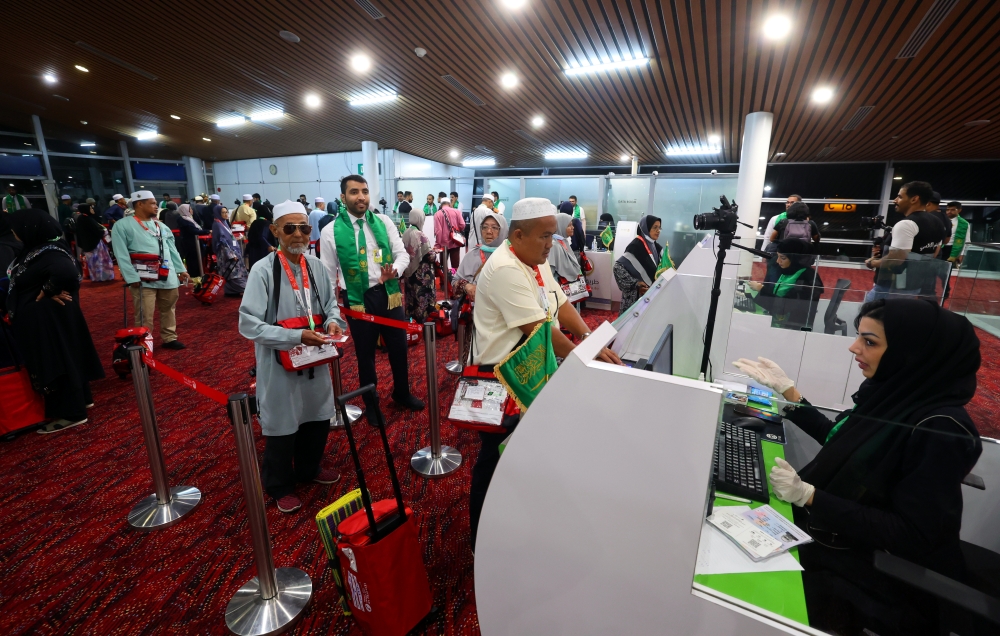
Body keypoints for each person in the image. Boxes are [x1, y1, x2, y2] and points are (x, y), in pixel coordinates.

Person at [733, 298, 981, 636]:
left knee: (746, 587)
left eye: (870, 341)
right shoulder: (895, 394)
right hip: (838, 536)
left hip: (873, 571)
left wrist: (810, 497)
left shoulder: (941, 428)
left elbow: (910, 535)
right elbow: (842, 440)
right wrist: (790, 394)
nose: (853, 347)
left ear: (911, 352)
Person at [468, 197, 622, 549]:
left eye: (553, 235)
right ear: (518, 235)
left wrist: (588, 336)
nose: (551, 244)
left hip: (531, 370)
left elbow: (561, 304)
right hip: (502, 378)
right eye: (544, 237)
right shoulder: (506, 267)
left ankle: (513, 525)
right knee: (494, 459)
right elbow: (541, 329)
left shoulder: (535, 260)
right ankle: (480, 541)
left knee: (522, 455)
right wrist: (586, 353)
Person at [238, 199, 345, 513]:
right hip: (279, 364)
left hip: (315, 357)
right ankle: (279, 484)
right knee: (283, 422)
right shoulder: (263, 271)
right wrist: (294, 337)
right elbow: (248, 324)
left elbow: (331, 306)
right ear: (275, 231)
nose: (298, 234)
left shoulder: (316, 266)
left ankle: (309, 469)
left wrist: (333, 322)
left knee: (317, 414)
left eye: (303, 228)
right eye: (290, 228)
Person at [319, 174, 424, 412]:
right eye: (354, 192)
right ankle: (371, 402)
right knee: (365, 354)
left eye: (365, 191)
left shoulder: (383, 221)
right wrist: (331, 312)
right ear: (343, 197)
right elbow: (326, 275)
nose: (361, 197)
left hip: (388, 294)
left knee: (398, 346)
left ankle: (402, 392)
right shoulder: (330, 232)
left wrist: (394, 271)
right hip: (357, 300)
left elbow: (403, 255)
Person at [5, 209, 104, 433]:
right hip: (47, 318)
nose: (14, 232)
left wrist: (48, 290)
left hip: (48, 320)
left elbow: (68, 274)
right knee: (66, 357)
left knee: (56, 362)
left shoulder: (49, 251)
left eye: (17, 228)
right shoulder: (37, 249)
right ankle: (80, 400)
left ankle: (71, 413)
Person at [111, 190, 190, 350]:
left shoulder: (161, 226)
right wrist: (130, 276)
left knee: (168, 308)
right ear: (139, 204)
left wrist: (181, 269)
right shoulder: (122, 225)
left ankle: (169, 337)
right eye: (153, 203)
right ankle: (144, 342)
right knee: (144, 312)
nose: (156, 206)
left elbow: (171, 249)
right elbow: (121, 254)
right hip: (142, 278)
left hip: (167, 275)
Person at [866, 181, 949, 301]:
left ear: (914, 199)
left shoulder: (906, 224)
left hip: (890, 287)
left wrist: (871, 263)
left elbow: (895, 259)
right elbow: (934, 253)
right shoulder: (938, 223)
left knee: (869, 317)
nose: (895, 200)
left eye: (900, 196)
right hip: (913, 286)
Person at [748, 238, 824, 330]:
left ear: (796, 259)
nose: (778, 261)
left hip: (792, 329)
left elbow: (786, 307)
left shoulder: (806, 278)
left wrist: (761, 289)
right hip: (780, 322)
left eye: (783, 258)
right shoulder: (790, 271)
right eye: (778, 256)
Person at [613, 215, 663, 316]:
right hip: (635, 299)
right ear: (646, 228)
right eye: (654, 227)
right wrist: (635, 284)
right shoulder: (636, 246)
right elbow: (618, 268)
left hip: (650, 296)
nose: (658, 231)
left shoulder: (657, 247)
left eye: (659, 227)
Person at [454, 207, 507, 302]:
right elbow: (455, 282)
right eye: (485, 227)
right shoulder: (471, 254)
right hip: (473, 312)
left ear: (503, 230)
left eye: (494, 228)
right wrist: (467, 286)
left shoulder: (509, 256)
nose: (489, 231)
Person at [401, 208, 436, 324]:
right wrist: (435, 253)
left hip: (409, 272)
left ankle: (412, 322)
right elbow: (430, 256)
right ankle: (424, 323)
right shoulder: (420, 234)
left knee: (411, 298)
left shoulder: (406, 232)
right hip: (421, 274)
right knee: (422, 298)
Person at [212, 206, 248, 296]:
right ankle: (241, 289)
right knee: (232, 273)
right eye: (223, 212)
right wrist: (231, 255)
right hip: (226, 254)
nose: (226, 214)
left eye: (226, 212)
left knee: (232, 272)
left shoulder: (223, 223)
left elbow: (228, 237)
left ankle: (231, 291)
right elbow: (222, 242)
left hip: (231, 251)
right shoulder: (217, 224)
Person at [550, 210, 586, 301]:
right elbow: (551, 272)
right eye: (569, 225)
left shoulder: (563, 241)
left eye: (572, 225)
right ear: (560, 226)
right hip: (559, 291)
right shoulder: (554, 245)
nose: (573, 228)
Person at [75, 203, 115, 282]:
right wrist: (104, 231)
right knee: (100, 261)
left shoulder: (81, 219)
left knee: (92, 262)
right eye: (91, 208)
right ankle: (102, 277)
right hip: (95, 244)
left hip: (87, 245)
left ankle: (96, 277)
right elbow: (98, 230)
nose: (93, 210)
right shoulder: (87, 219)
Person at [176, 203, 210, 275]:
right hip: (191, 245)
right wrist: (207, 231)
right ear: (185, 210)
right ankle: (195, 277)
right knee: (193, 262)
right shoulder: (184, 220)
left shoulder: (188, 219)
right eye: (190, 209)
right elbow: (193, 231)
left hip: (194, 243)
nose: (192, 210)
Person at [435, 194, 466, 269]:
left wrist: (437, 245)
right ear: (449, 204)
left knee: (443, 266)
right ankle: (454, 279)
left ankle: (445, 279)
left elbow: (438, 231)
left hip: (443, 244)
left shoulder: (437, 214)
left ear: (441, 204)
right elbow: (462, 225)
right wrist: (456, 230)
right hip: (455, 242)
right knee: (455, 266)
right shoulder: (457, 212)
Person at [246, 205, 275, 270]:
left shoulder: (254, 222)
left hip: (253, 250)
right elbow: (262, 236)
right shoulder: (267, 223)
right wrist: (269, 246)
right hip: (263, 251)